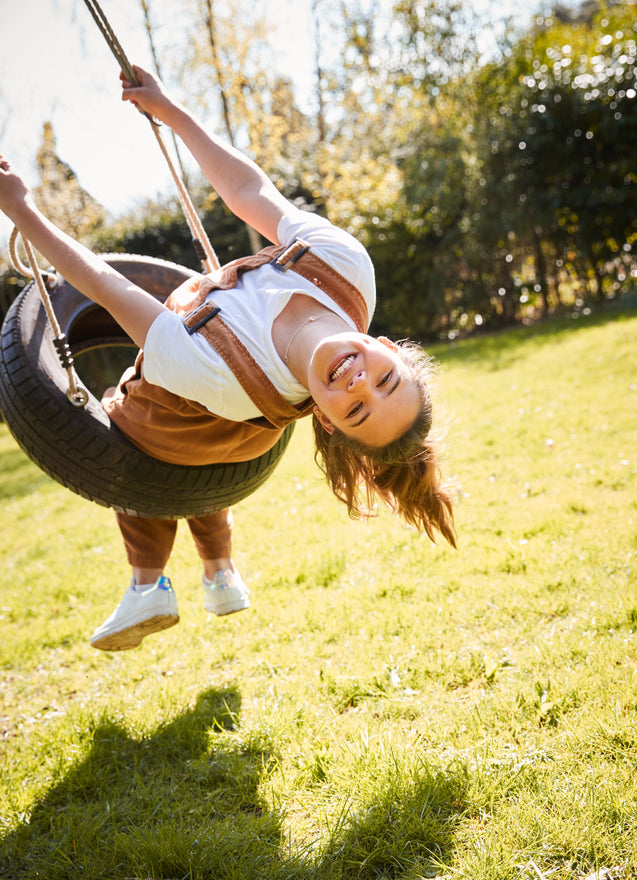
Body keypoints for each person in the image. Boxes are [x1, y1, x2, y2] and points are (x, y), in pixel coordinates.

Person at [0, 66, 456, 652]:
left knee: (133, 461)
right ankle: (220, 574)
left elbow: (109, 289)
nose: (359, 382)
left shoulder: (209, 368)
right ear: (388, 347)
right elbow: (251, 194)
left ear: (326, 419)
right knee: (202, 486)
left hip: (189, 410)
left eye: (358, 410)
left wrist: (23, 213)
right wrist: (171, 112)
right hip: (245, 444)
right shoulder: (345, 269)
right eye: (386, 379)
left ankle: (148, 585)